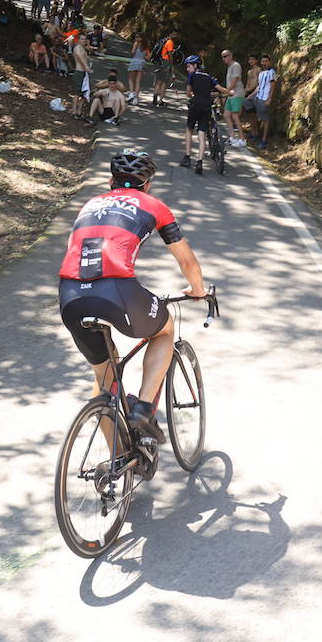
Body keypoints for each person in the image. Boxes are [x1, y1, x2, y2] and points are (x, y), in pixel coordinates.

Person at [58, 150, 208, 442]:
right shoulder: (155, 206)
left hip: (70, 295)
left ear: (110, 181)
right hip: (116, 290)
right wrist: (198, 290)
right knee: (164, 329)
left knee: (105, 382)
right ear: (147, 185)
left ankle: (117, 461)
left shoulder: (90, 204)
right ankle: (143, 408)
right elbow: (186, 261)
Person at [181, 55, 226, 175]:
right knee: (202, 133)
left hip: (195, 105)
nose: (187, 69)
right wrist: (230, 92)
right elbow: (221, 89)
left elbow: (188, 93)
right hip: (206, 106)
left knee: (189, 129)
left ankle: (187, 157)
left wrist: (193, 95)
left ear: (195, 65)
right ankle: (199, 161)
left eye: (189, 66)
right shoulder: (208, 77)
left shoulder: (192, 76)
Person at [243, 54, 278, 149]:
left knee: (265, 119)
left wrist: (269, 99)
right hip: (257, 97)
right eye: (263, 61)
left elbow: (272, 86)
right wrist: (251, 96)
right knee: (247, 106)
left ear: (270, 62)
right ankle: (255, 133)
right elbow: (259, 86)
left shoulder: (272, 72)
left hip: (264, 98)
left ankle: (264, 140)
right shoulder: (262, 73)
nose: (264, 63)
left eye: (266, 61)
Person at [221, 49, 246, 146]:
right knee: (226, 115)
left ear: (230, 56)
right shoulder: (229, 67)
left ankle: (242, 139)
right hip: (231, 94)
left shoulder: (235, 65)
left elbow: (234, 81)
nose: (224, 59)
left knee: (235, 116)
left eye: (225, 56)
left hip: (237, 93)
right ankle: (232, 137)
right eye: (222, 57)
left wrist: (226, 92)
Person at [151, 28, 179, 108]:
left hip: (160, 62)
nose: (175, 36)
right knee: (164, 83)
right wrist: (171, 64)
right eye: (174, 34)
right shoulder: (170, 42)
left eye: (176, 34)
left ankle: (155, 98)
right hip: (166, 62)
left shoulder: (164, 40)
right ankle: (160, 101)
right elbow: (169, 54)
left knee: (158, 81)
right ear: (170, 34)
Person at [68, 32, 91, 121]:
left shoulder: (84, 48)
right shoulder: (77, 48)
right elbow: (80, 59)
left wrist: (88, 44)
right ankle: (74, 111)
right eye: (82, 39)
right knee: (77, 93)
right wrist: (86, 67)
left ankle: (79, 111)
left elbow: (90, 51)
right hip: (79, 72)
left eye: (85, 39)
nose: (84, 40)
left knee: (85, 94)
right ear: (78, 40)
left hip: (84, 73)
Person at [126, 34, 148, 102]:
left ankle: (131, 94)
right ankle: (136, 98)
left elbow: (133, 52)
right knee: (138, 81)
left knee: (131, 79)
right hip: (142, 63)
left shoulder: (136, 44)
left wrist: (135, 47)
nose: (136, 38)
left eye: (137, 37)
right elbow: (148, 57)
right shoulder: (145, 46)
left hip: (135, 61)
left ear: (141, 38)